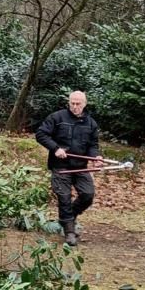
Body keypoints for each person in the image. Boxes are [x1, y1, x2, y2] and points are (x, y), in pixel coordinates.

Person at [35, 90, 102, 247]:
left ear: (84, 104)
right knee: (64, 198)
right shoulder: (57, 117)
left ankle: (67, 219)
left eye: (78, 103)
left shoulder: (91, 123)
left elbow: (93, 145)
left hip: (80, 167)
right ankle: (69, 233)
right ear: (69, 102)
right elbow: (41, 134)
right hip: (60, 167)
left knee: (88, 194)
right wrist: (55, 148)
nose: (75, 106)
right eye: (72, 103)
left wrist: (95, 158)